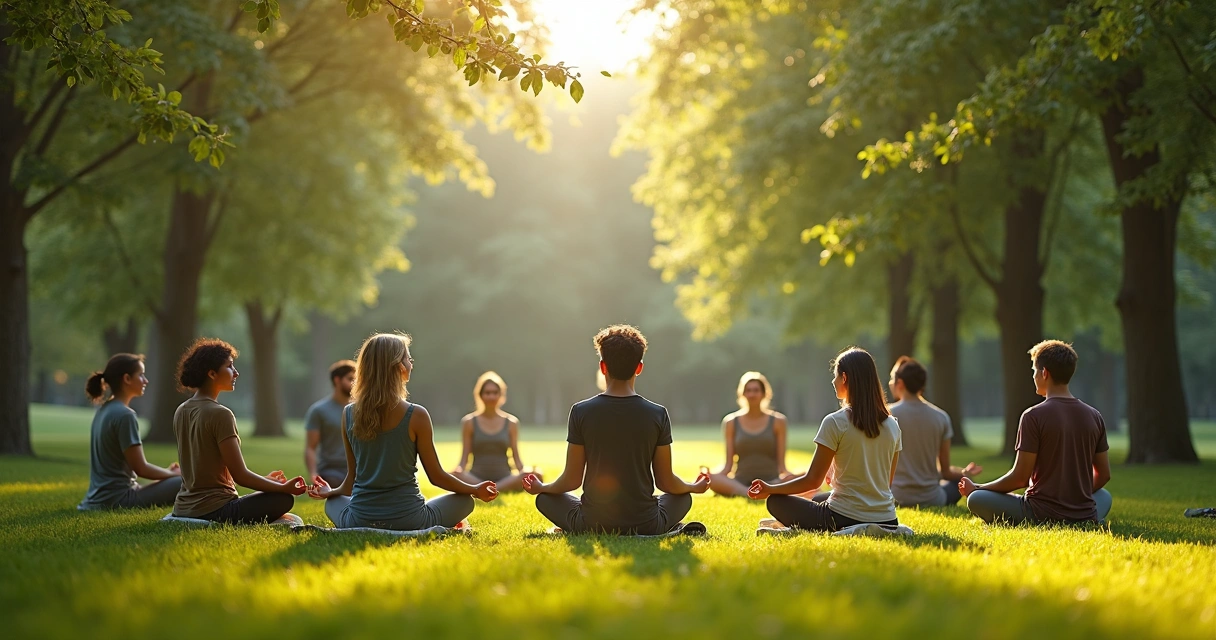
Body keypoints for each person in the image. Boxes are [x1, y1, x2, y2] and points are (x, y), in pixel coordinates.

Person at [522, 324, 710, 534]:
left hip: (591, 523)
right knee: (683, 497)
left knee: (545, 499)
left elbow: (571, 480)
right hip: (647, 523)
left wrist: (542, 488)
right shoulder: (658, 414)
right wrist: (692, 487)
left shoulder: (581, 411)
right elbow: (666, 482)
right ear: (639, 368)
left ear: (603, 367)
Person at [307, 333, 499, 529]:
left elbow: (351, 479)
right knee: (465, 501)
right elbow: (437, 477)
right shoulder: (417, 415)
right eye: (408, 358)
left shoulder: (348, 414)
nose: (411, 363)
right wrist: (474, 489)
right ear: (399, 367)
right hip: (411, 520)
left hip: (359, 519)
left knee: (332, 502)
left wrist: (331, 492)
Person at [748, 347, 903, 532]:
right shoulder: (893, 425)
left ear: (844, 378)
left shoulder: (835, 421)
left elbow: (812, 481)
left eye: (835, 376)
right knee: (817, 498)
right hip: (887, 517)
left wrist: (771, 489)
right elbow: (886, 483)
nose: (833, 381)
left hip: (841, 518)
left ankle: (843, 526)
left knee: (776, 501)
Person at [960, 340, 1113, 525]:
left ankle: (1054, 519)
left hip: (1039, 512)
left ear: (1044, 373)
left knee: (976, 499)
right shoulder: (1095, 416)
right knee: (1104, 496)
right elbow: (1104, 475)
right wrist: (1075, 500)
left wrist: (977, 488)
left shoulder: (1033, 416)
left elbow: (1020, 478)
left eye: (1034, 370)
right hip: (1082, 513)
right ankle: (1082, 518)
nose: (1033, 376)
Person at [172, 338, 306, 524]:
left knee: (273, 495)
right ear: (212, 373)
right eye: (229, 366)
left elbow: (211, 473)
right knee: (283, 499)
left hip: (183, 507)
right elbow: (241, 476)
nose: (236, 372)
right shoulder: (221, 414)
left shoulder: (181, 410)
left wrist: (268, 482)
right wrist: (283, 488)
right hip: (215, 510)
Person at [77, 354, 183, 510]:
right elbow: (141, 468)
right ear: (127, 378)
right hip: (118, 500)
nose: (145, 381)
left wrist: (167, 473)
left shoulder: (103, 410)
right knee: (188, 481)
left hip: (97, 500)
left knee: (176, 480)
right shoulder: (125, 415)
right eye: (141, 375)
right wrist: (176, 474)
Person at [887, 356, 982, 506]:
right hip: (932, 498)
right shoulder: (941, 417)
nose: (890, 383)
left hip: (894, 496)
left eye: (892, 378)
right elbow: (945, 472)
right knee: (959, 482)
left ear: (901, 383)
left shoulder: (887, 415)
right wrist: (964, 473)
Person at [706, 371, 794, 497]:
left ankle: (764, 490)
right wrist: (710, 476)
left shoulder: (778, 421)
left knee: (806, 477)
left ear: (764, 394)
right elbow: (728, 466)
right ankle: (749, 492)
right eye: (748, 390)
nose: (752, 394)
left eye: (756, 390)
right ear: (742, 394)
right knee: (711, 478)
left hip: (772, 481)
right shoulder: (731, 422)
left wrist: (795, 477)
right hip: (740, 481)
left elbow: (782, 467)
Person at [451, 371, 542, 492]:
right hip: (476, 477)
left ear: (501, 395)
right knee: (453, 476)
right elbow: (464, 460)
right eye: (487, 393)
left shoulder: (511, 423)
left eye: (495, 393)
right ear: (480, 395)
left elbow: (516, 459)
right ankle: (488, 488)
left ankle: (488, 489)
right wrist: (457, 472)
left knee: (533, 474)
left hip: (505, 477)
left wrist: (526, 472)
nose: (491, 397)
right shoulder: (469, 422)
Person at [304, 360, 356, 488]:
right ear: (337, 380)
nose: (355, 383)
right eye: (350, 379)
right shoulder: (318, 410)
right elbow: (310, 448)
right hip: (332, 470)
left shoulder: (361, 410)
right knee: (335, 484)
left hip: (358, 470)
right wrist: (313, 474)